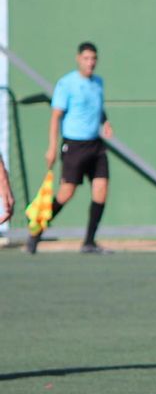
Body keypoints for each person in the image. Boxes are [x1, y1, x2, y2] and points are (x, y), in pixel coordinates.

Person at [29, 42, 113, 254]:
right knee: (66, 193)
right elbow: (56, 116)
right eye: (86, 58)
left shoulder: (98, 83)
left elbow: (98, 107)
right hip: (74, 145)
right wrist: (51, 148)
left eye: (93, 58)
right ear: (78, 59)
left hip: (96, 145)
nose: (90, 62)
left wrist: (105, 121)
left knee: (101, 190)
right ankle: (36, 232)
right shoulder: (67, 84)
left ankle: (89, 241)